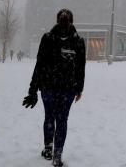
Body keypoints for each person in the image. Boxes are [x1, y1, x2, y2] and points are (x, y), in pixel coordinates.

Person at [22, 9, 86, 167]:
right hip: (67, 88)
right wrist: (79, 89)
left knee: (50, 117)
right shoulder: (78, 41)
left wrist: (33, 89)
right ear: (72, 21)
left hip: (48, 87)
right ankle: (57, 154)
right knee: (62, 119)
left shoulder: (48, 38)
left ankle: (48, 148)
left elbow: (40, 65)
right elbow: (80, 68)